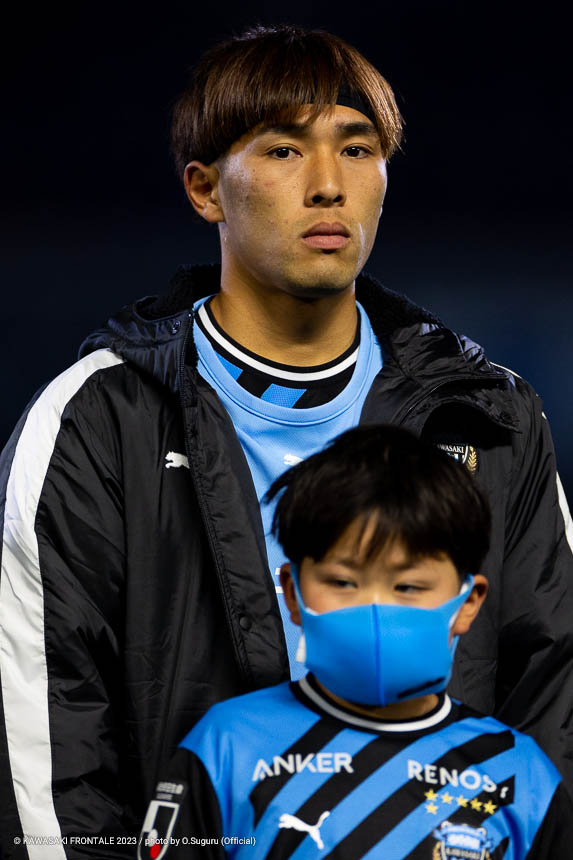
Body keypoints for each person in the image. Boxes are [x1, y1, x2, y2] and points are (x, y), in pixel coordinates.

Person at [0, 22, 572, 857]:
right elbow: (47, 745)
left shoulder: (489, 415)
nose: (328, 185)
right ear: (205, 190)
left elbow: (554, 700)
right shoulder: (96, 420)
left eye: (357, 148)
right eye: (281, 150)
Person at [143, 425, 573, 859]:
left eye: (408, 586)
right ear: (293, 592)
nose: (375, 609)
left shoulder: (521, 776)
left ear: (468, 603)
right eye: (343, 582)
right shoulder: (225, 749)